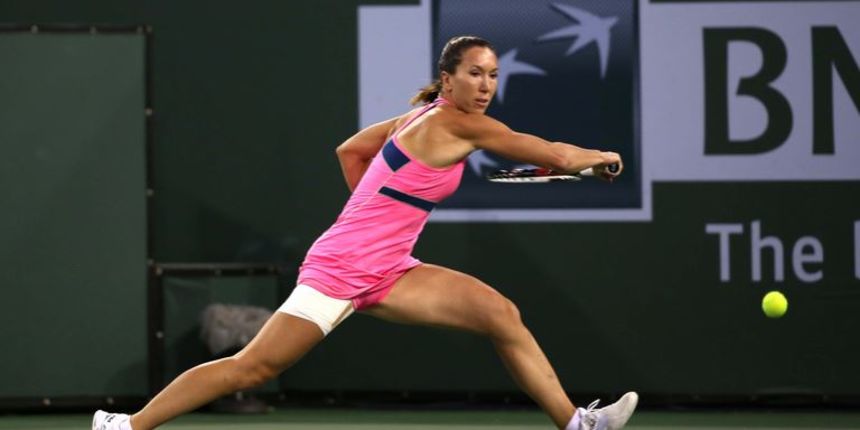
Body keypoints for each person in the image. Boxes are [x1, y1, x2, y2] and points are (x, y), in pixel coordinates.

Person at [93, 35, 637, 430]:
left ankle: (575, 423)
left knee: (500, 314)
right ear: (448, 79)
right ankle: (126, 427)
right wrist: (601, 156)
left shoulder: (417, 117)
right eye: (475, 73)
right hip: (343, 267)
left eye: (494, 74)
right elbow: (555, 154)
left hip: (390, 267)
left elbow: (350, 150)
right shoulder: (456, 122)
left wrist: (374, 216)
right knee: (252, 367)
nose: (486, 85)